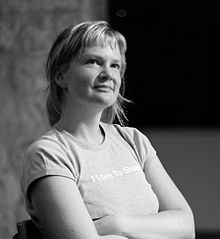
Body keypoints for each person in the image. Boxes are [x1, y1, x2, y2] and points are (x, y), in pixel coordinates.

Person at [21, 20, 195, 239]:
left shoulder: (132, 140)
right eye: (93, 62)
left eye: (115, 65)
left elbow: (186, 227)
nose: (108, 74)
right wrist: (157, 230)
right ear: (60, 76)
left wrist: (116, 224)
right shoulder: (49, 154)